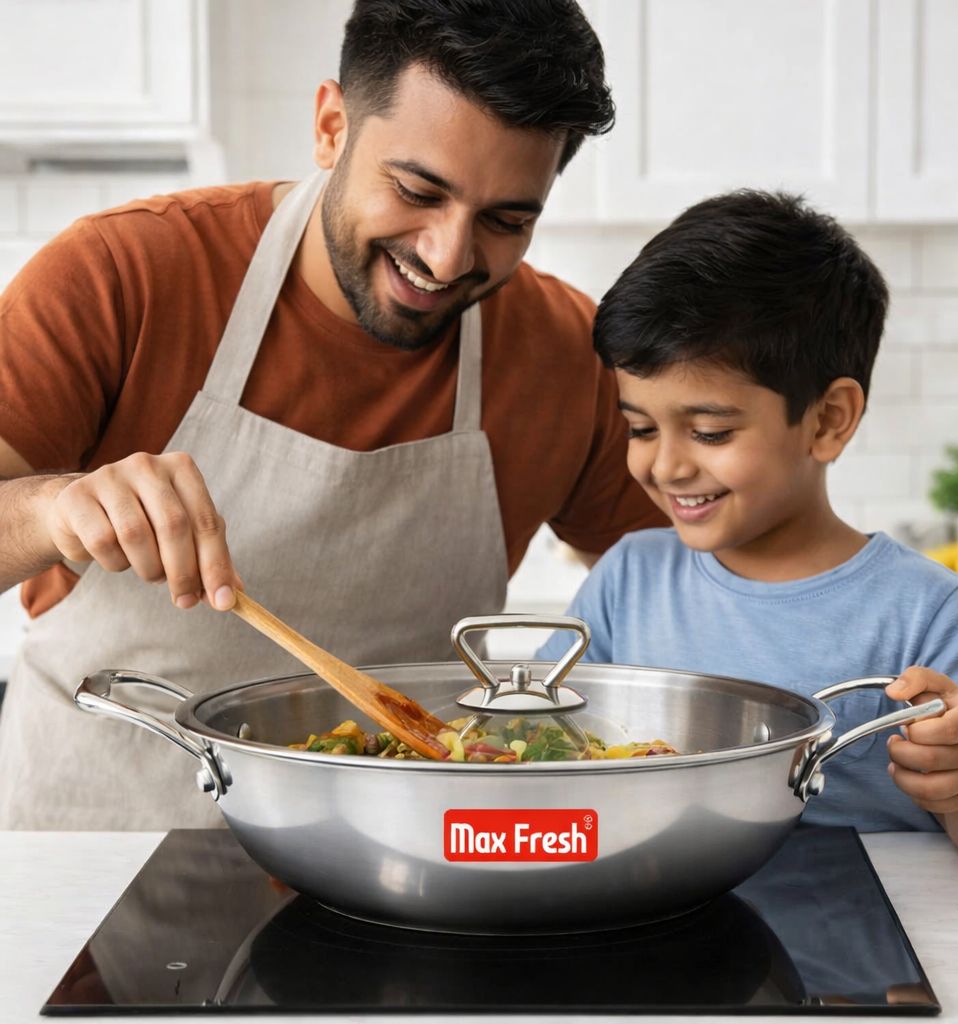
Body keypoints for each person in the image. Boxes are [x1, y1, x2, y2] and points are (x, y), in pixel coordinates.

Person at [0, 0, 665, 829]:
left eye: (506, 220)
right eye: (418, 190)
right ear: (330, 126)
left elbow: (682, 587)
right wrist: (52, 507)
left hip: (396, 873)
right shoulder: (123, 275)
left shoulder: (564, 352)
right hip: (102, 850)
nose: (448, 256)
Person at [538, 190, 958, 861]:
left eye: (709, 431)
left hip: (861, 935)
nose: (666, 465)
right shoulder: (627, 577)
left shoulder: (926, 609)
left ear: (827, 421)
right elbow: (537, 749)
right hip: (657, 904)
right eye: (640, 428)